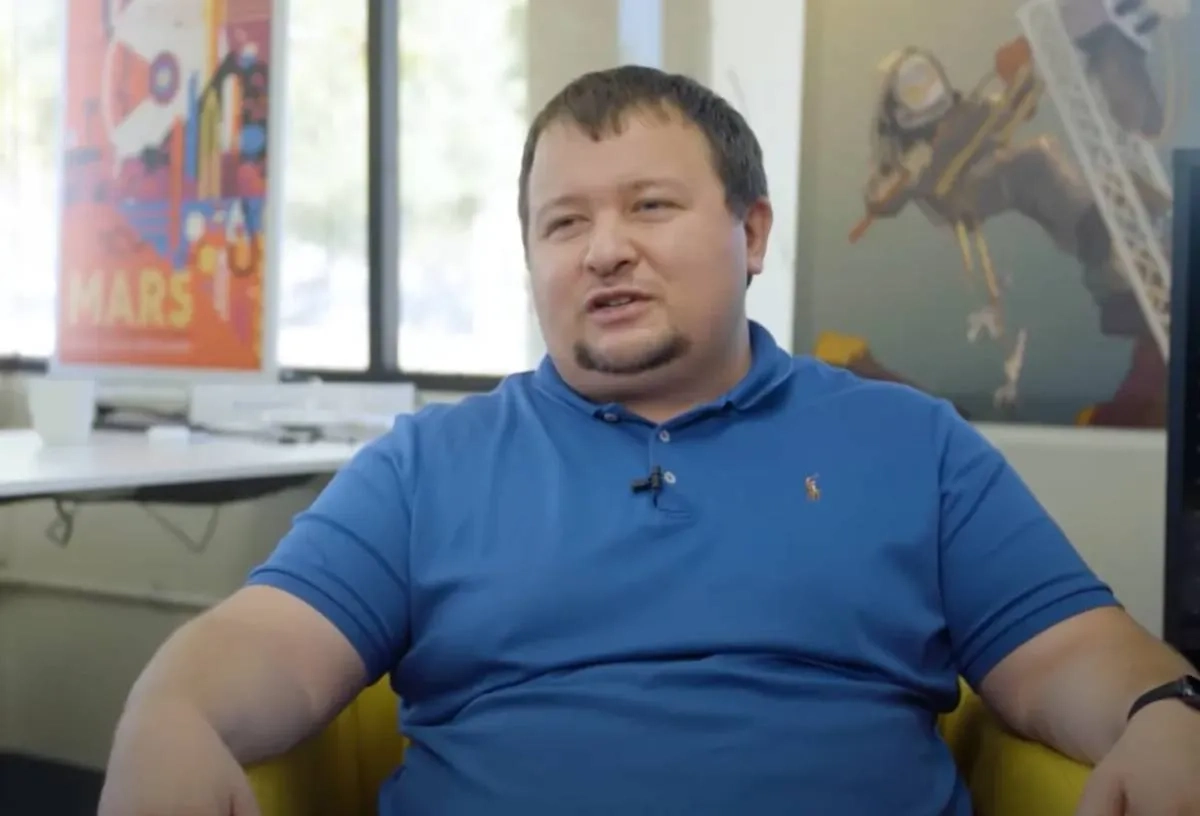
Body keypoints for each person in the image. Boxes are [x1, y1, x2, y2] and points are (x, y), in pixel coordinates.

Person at [99, 65, 1200, 815]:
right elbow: (266, 643)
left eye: (651, 207)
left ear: (750, 231)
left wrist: (1161, 713)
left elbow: (1070, 652)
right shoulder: (425, 464)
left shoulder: (911, 442)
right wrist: (167, 712)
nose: (604, 250)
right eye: (564, 222)